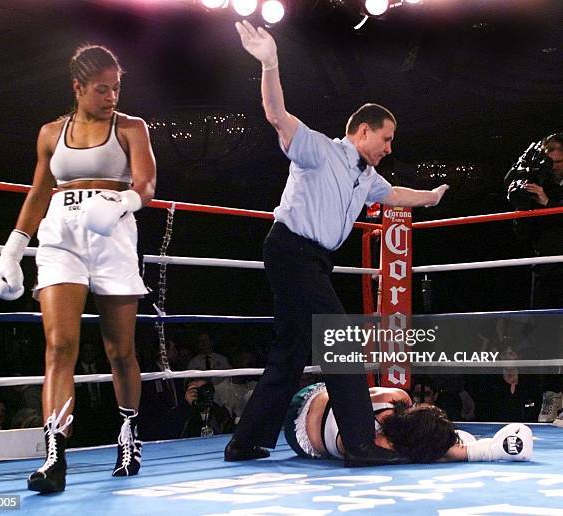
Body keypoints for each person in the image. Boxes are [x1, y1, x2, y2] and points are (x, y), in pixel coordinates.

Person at [225, 21, 449, 467]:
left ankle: (245, 441)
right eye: (385, 138)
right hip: (292, 250)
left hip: (313, 261)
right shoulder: (320, 151)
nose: (389, 147)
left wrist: (431, 197)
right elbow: (277, 116)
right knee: (341, 339)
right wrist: (270, 62)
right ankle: (360, 443)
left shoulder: (367, 177)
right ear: (363, 131)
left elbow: (395, 195)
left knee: (290, 353)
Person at [0, 44, 156, 493]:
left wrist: (123, 199)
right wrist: (12, 249)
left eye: (116, 88)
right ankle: (55, 455)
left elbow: (147, 183)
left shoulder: (131, 128)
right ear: (78, 88)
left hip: (113, 234)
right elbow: (39, 191)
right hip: (60, 235)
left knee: (119, 350)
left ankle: (128, 434)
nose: (111, 96)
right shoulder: (50, 134)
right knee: (59, 346)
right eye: (102, 89)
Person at [283, 384, 533, 464]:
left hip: (315, 399)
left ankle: (484, 449)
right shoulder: (375, 444)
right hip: (302, 427)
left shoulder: (397, 399)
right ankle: (485, 449)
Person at [505, 132, 563, 422]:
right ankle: (551, 395)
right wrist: (525, 207)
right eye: (546, 152)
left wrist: (549, 200)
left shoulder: (553, 190)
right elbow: (522, 234)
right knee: (544, 335)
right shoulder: (536, 181)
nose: (549, 159)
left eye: (554, 153)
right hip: (543, 267)